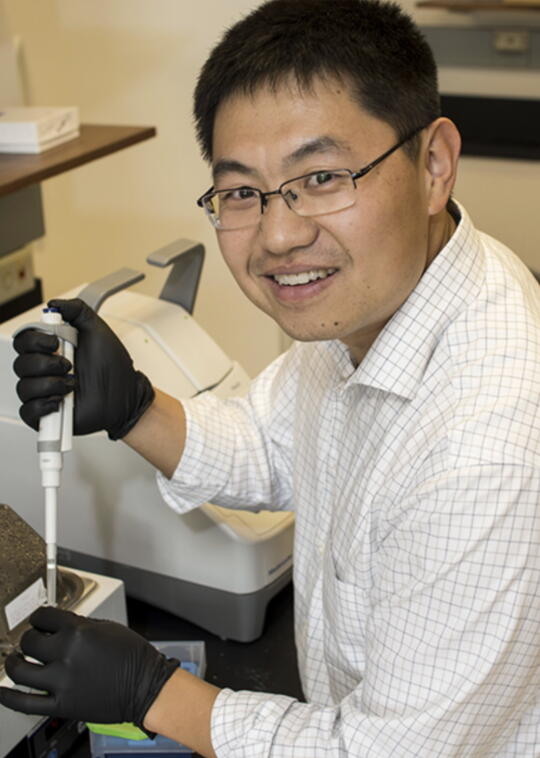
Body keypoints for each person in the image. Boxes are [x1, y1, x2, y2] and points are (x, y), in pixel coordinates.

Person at [1, 0, 540, 755]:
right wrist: (132, 409)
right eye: (241, 192)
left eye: (321, 176)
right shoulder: (383, 297)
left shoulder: (489, 440)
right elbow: (274, 442)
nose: (280, 236)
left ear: (433, 166)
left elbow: (385, 753)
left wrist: (155, 693)